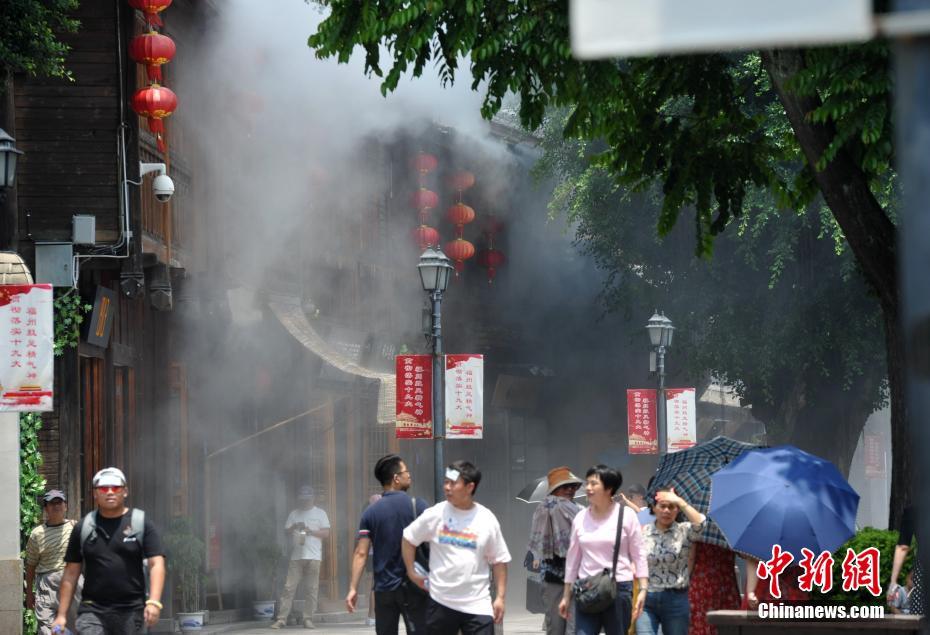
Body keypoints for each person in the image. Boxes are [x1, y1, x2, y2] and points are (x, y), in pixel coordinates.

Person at [52, 467, 166, 635]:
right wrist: (61, 615)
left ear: (125, 491)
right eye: (104, 488)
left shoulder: (140, 523)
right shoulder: (83, 527)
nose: (110, 492)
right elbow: (70, 573)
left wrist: (154, 601)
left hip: (131, 610)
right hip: (92, 610)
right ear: (95, 494)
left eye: (116, 487)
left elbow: (156, 563)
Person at [402, 460, 511, 635]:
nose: (447, 488)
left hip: (478, 605)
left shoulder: (486, 519)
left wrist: (500, 597)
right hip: (441, 602)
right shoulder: (435, 514)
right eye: (446, 482)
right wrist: (411, 572)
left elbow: (499, 560)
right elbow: (408, 538)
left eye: (453, 483)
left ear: (469, 487)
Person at [559, 465, 648, 635]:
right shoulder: (580, 518)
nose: (588, 488)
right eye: (587, 484)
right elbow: (573, 559)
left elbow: (639, 554)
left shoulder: (626, 516)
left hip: (619, 588)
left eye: (594, 484)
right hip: (587, 588)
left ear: (609, 488)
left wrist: (643, 589)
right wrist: (566, 595)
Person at [346, 455, 428, 634]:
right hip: (414, 588)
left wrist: (353, 588)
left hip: (384, 590)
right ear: (396, 478)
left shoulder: (370, 512)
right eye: (406, 472)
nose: (409, 476)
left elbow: (361, 553)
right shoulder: (419, 506)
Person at [635, 487, 705, 635]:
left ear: (677, 510)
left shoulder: (684, 530)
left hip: (676, 599)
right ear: (654, 508)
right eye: (662, 506)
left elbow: (701, 524)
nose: (666, 510)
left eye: (671, 507)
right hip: (647, 597)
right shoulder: (642, 532)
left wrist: (679, 501)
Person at [527, 466, 584, 635]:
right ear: (554, 490)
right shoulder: (548, 506)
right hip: (554, 576)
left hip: (579, 575)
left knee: (575, 627)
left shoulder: (579, 509)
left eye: (573, 486)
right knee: (556, 627)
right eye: (565, 486)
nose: (570, 490)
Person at [271, 485, 331, 629]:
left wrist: (311, 531)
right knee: (289, 588)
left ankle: (308, 618)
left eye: (307, 499)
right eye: (302, 499)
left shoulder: (320, 513)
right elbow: (286, 531)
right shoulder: (294, 513)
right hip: (296, 556)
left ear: (312, 498)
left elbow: (326, 534)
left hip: (314, 556)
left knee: (311, 589)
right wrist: (293, 527)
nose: (304, 502)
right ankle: (281, 619)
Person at [25, 489, 78, 635]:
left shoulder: (75, 528)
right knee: (49, 630)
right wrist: (29, 593)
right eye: (51, 503)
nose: (56, 506)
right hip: (47, 586)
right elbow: (30, 566)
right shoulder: (37, 533)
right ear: (46, 508)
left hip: (73, 584)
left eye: (59, 502)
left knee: (75, 627)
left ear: (65, 506)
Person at [888, 505, 924, 615]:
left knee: (921, 620)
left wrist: (893, 583)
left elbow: (903, 547)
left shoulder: (915, 509)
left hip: (924, 570)